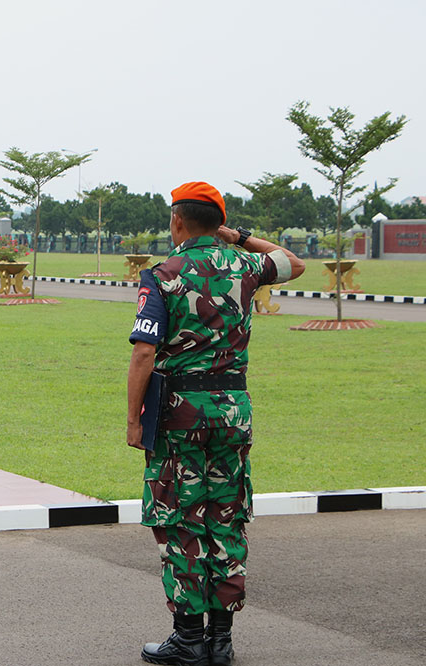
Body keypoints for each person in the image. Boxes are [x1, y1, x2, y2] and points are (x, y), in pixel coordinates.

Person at [126, 181, 305, 666]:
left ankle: (188, 638)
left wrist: (132, 419)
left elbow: (145, 351)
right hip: (233, 409)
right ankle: (221, 640)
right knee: (226, 515)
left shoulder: (164, 274)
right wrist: (234, 236)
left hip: (180, 413)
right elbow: (294, 261)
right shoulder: (245, 266)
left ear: (178, 221)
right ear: (217, 223)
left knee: (181, 519)